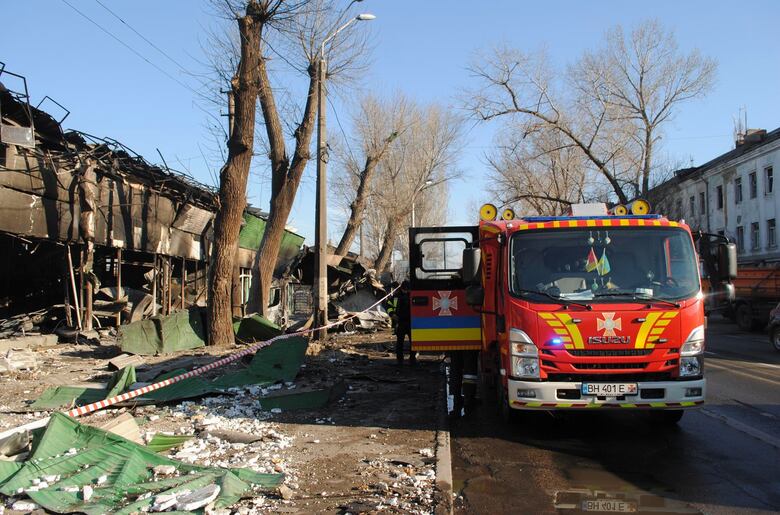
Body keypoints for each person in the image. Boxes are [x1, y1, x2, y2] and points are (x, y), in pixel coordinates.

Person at [393, 280, 416, 365]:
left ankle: (412, 359)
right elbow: (389, 305)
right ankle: (400, 360)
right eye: (405, 289)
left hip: (411, 322)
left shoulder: (413, 295)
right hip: (400, 322)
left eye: (407, 289)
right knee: (400, 343)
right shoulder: (396, 296)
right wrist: (392, 314)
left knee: (413, 342)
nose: (406, 291)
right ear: (402, 288)